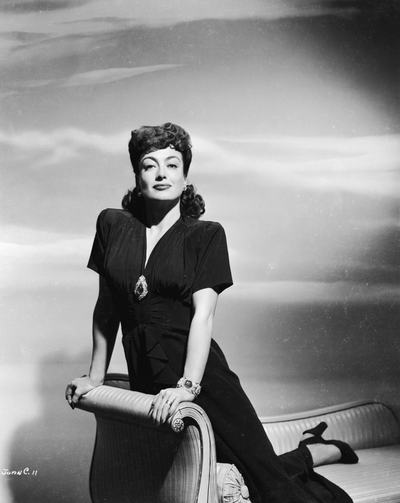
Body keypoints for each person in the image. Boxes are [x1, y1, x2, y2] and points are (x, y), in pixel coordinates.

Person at [65, 122, 357, 503]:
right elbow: (106, 309)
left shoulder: (206, 235)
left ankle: (318, 451)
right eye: (150, 165)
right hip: (150, 375)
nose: (161, 173)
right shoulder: (112, 225)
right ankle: (312, 452)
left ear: (185, 176)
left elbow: (203, 318)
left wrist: (186, 387)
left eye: (172, 164)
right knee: (216, 475)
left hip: (201, 377)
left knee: (269, 485)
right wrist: (94, 378)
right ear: (137, 175)